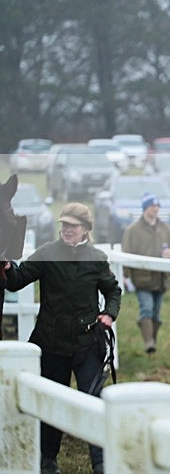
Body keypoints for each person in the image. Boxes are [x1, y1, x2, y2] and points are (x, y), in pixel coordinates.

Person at [4, 203, 122, 474]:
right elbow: (17, 280)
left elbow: (113, 290)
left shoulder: (96, 258)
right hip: (51, 343)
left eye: (73, 226)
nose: (68, 230)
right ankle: (48, 460)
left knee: (93, 401)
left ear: (85, 229)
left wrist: (109, 313)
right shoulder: (47, 253)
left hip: (87, 344)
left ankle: (100, 462)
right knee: (51, 403)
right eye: (65, 225)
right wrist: (8, 267)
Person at [121, 193, 170, 354]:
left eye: (157, 206)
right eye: (152, 206)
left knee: (156, 313)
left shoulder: (166, 228)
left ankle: (152, 343)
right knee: (146, 308)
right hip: (142, 279)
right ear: (145, 208)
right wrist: (124, 275)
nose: (155, 209)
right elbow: (126, 253)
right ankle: (148, 343)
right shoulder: (132, 230)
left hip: (161, 279)